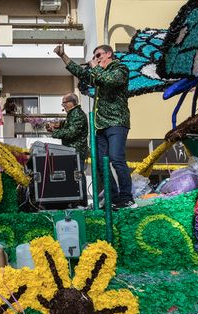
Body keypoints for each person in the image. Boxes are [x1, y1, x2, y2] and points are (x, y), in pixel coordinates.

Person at [54, 43, 136, 210]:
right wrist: (63, 55)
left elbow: (111, 81)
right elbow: (81, 73)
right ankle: (112, 197)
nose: (96, 59)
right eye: (95, 57)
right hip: (100, 126)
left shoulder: (120, 69)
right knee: (99, 162)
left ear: (109, 54)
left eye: (99, 55)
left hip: (116, 123)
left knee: (116, 158)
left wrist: (95, 68)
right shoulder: (99, 74)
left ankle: (127, 198)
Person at [46, 93, 89, 165]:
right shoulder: (73, 113)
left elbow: (71, 132)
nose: (63, 105)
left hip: (76, 152)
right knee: (74, 174)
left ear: (72, 102)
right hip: (72, 151)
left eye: (64, 103)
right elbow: (67, 124)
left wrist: (54, 131)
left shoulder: (77, 113)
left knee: (77, 174)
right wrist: (56, 125)